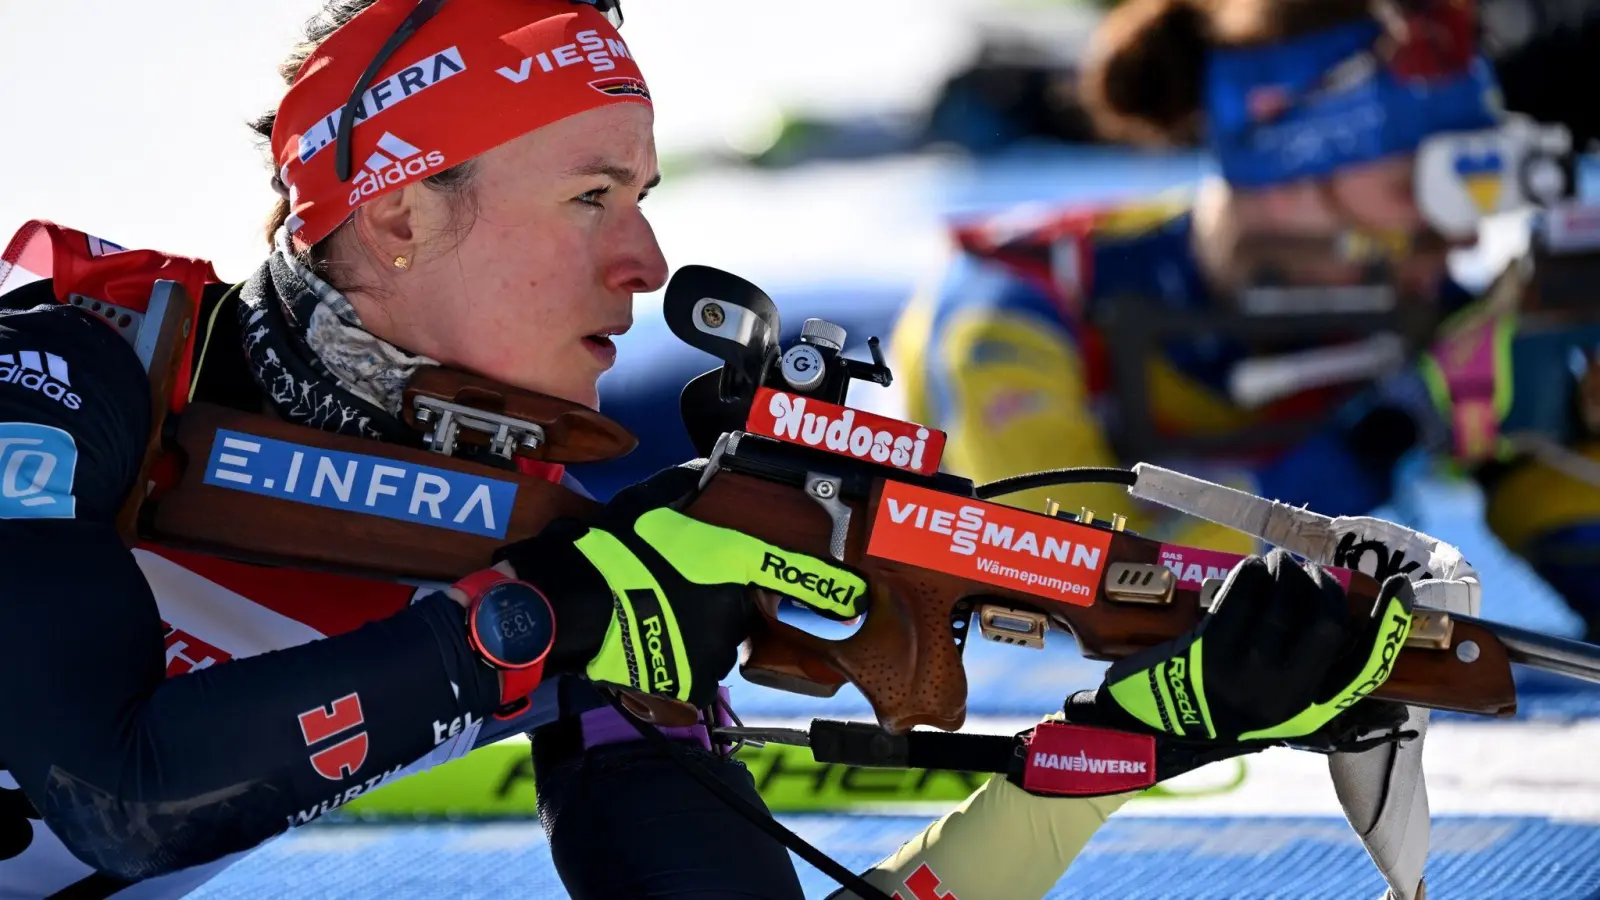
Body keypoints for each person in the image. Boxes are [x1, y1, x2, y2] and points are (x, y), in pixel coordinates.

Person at [0, 1, 1419, 898]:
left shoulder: (540, 542)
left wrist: (1134, 734)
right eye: (593, 195)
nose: (647, 257)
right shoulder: (77, 373)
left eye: (648, 196)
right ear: (401, 219)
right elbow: (120, 795)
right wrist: (551, 617)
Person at [886, 0, 1600, 639]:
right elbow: (1093, 589)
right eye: (1421, 186)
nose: (1463, 238)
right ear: (1287, 171)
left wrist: (1572, 414)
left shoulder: (1431, 316)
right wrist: (1384, 435)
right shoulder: (1015, 310)